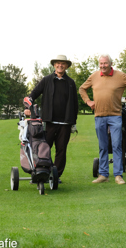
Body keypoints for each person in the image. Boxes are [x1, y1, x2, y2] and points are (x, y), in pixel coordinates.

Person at [79, 54, 126, 185]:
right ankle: (103, 175)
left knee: (117, 145)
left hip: (115, 116)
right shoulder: (94, 76)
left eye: (105, 63)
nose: (103, 66)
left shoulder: (120, 76)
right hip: (99, 116)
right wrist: (88, 101)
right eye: (101, 63)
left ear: (110, 64)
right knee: (103, 146)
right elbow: (82, 89)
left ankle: (118, 175)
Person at [25, 55, 78, 183]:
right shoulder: (47, 80)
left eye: (63, 64)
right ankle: (42, 173)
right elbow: (33, 94)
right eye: (58, 63)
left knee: (61, 150)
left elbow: (74, 104)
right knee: (44, 149)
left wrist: (73, 123)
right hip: (48, 122)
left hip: (65, 123)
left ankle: (55, 176)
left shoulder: (70, 83)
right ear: (54, 65)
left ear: (66, 66)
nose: (60, 65)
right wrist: (28, 104)